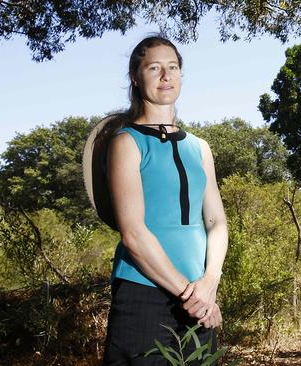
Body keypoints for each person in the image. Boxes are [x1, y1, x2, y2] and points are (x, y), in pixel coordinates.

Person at [96, 35, 228, 365]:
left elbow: (217, 222)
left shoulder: (200, 147)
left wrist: (209, 284)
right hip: (144, 295)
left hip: (199, 296)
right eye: (154, 68)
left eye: (173, 67)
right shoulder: (125, 142)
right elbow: (134, 234)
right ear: (136, 78)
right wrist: (190, 294)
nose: (166, 76)